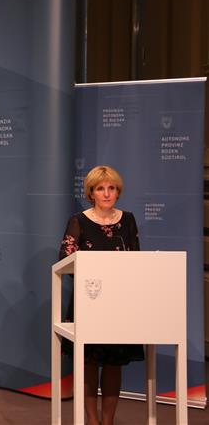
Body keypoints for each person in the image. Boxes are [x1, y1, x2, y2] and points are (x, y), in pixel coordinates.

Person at [59, 165, 143, 425]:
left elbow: (137, 260)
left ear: (117, 192)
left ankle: (108, 422)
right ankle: (92, 421)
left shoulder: (127, 219)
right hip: (89, 303)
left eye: (112, 188)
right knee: (90, 363)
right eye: (100, 188)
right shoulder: (79, 221)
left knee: (114, 364)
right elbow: (65, 260)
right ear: (91, 193)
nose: (107, 193)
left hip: (120, 305)